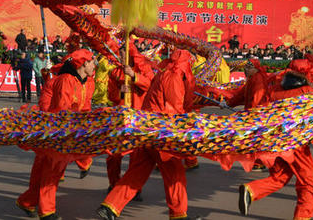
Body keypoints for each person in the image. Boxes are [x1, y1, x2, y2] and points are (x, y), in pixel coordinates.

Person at [97, 50, 196, 220]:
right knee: (175, 174)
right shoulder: (173, 76)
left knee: (137, 172)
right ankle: (179, 214)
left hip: (145, 128)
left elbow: (148, 85)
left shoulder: (159, 73)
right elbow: (174, 108)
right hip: (160, 132)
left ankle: (110, 206)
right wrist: (182, 129)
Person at [16, 49, 96, 220]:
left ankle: (27, 201)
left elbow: (86, 107)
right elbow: (61, 109)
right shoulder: (65, 81)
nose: (94, 65)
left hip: (72, 133)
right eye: (91, 61)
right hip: (57, 132)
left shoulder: (89, 82)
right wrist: (68, 130)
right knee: (51, 172)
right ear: (83, 64)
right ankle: (46, 212)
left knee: (52, 172)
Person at [238, 58, 313, 220]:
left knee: (280, 176)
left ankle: (252, 190)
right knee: (307, 180)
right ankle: (303, 216)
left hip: (275, 142)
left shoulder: (274, 89)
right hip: (296, 144)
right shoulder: (308, 93)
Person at [105, 44, 154, 194]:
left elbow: (150, 85)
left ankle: (134, 187)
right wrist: (120, 92)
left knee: (136, 156)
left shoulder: (144, 70)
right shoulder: (115, 73)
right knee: (113, 155)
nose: (121, 57)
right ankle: (114, 184)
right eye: (119, 54)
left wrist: (134, 76)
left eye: (124, 53)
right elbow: (110, 95)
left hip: (138, 119)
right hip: (119, 120)